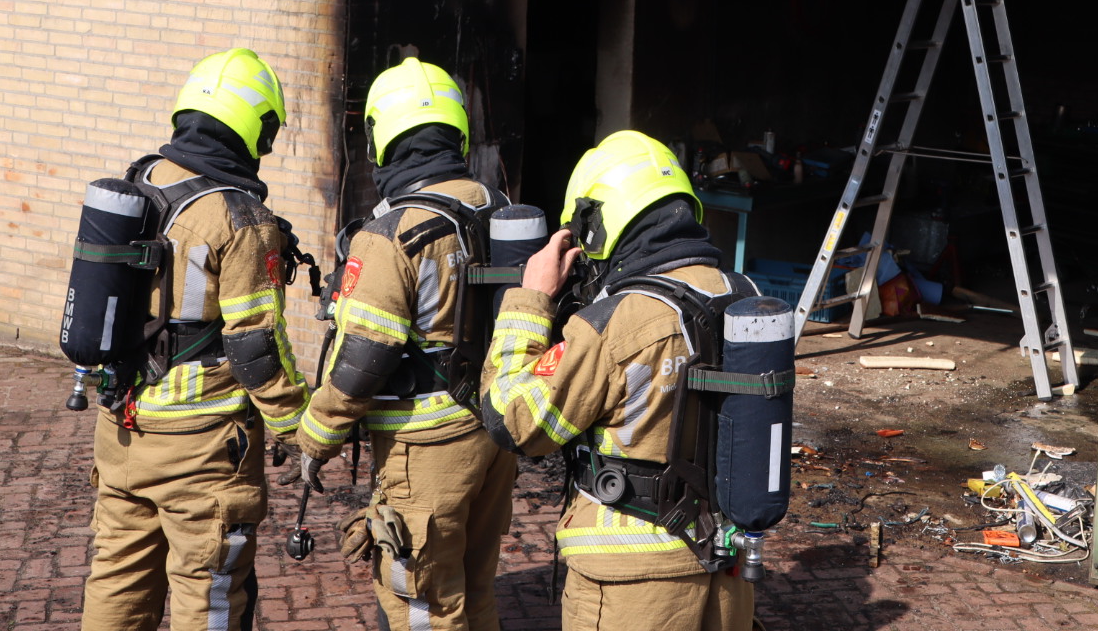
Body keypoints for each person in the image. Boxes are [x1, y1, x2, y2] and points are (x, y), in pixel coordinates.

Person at [481, 130, 758, 631]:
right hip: (726, 568)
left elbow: (513, 422)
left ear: (597, 225)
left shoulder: (613, 323)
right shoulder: (742, 295)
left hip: (631, 580)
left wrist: (530, 299)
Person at [81, 47, 310, 631]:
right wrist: (298, 427)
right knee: (207, 597)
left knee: (116, 581)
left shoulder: (140, 181)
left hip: (120, 428)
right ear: (257, 128)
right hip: (201, 448)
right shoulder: (239, 216)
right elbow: (257, 344)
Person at [295, 57, 517, 631]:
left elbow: (363, 359)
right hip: (494, 432)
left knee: (424, 605)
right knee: (476, 588)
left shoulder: (390, 233)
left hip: (427, 446)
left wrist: (315, 436)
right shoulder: (497, 207)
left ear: (381, 139)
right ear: (456, 131)